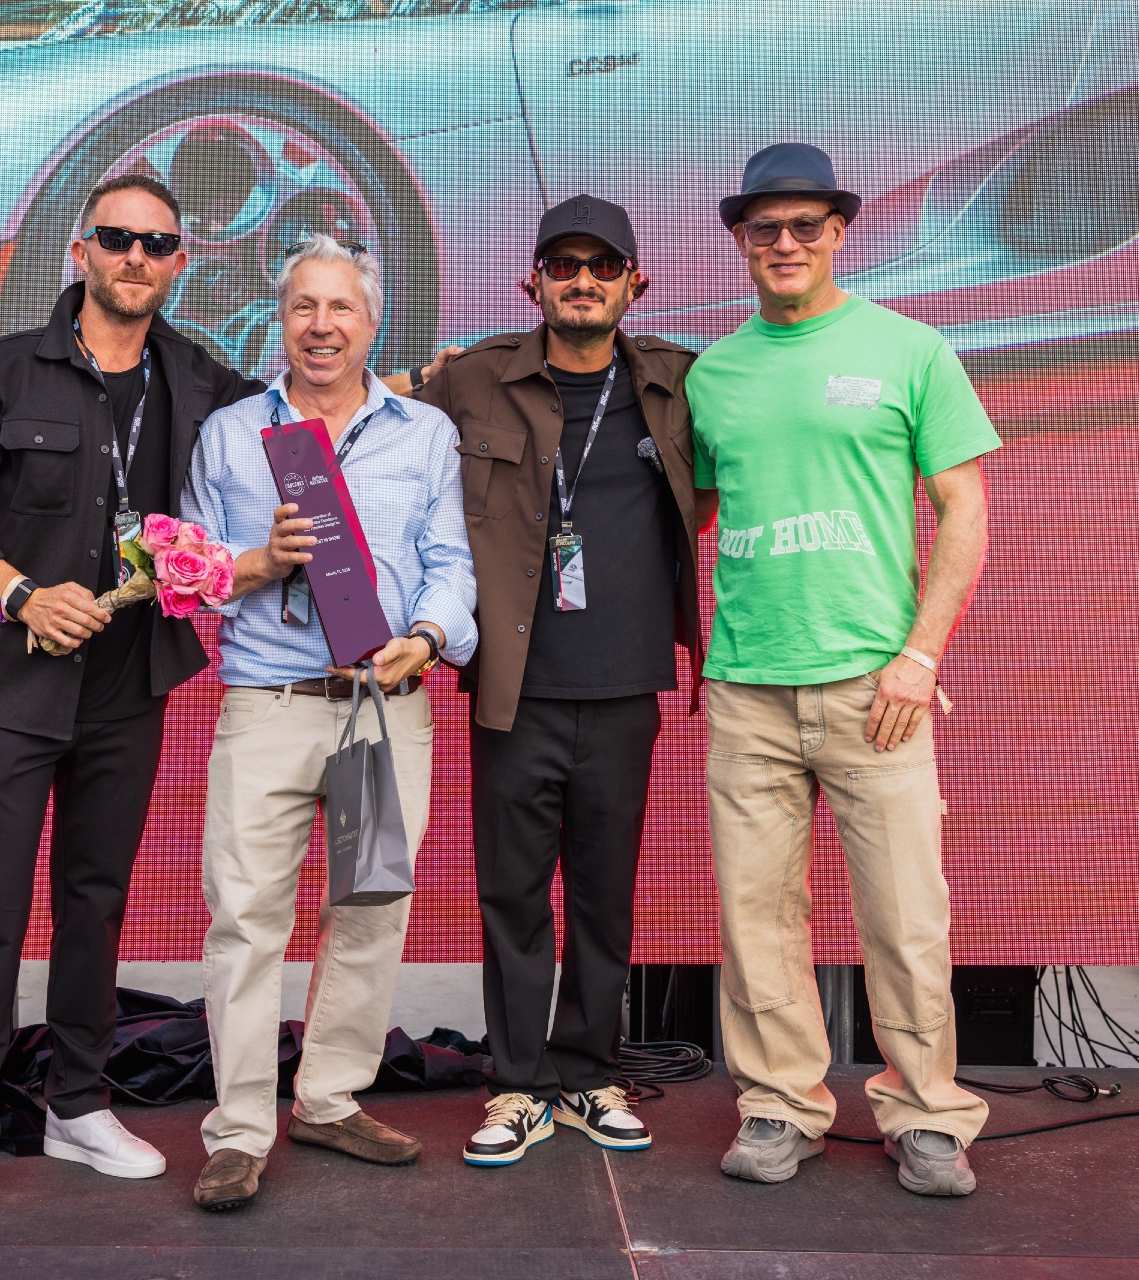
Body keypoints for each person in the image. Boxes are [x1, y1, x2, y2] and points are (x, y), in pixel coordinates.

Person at [0, 175, 448, 1231]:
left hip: (125, 686)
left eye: (156, 244)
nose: (136, 257)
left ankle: (78, 1103)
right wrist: (19, 591)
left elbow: (315, 387)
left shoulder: (197, 380)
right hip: (13, 682)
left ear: (180, 262)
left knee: (95, 899)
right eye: (117, 238)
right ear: (82, 252)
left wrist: (414, 380)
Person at [689, 143, 1001, 1196]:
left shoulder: (911, 350)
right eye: (765, 228)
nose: (785, 243)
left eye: (804, 225)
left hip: (878, 688)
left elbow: (965, 507)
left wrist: (921, 654)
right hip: (748, 687)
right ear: (741, 241)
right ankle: (780, 1103)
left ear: (838, 233)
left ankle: (929, 1113)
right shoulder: (712, 375)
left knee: (907, 918)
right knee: (757, 918)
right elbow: (690, 514)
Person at [409, 195, 713, 1166]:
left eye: (603, 265)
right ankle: (516, 1085)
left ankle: (586, 1074)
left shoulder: (680, 383)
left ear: (636, 283)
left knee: (602, 897)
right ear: (531, 281)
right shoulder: (470, 379)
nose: (583, 280)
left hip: (625, 687)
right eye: (564, 264)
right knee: (511, 896)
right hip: (515, 687)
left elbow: (713, 492)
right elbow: (383, 441)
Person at [180, 235, 477, 1212]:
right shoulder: (231, 433)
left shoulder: (424, 433)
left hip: (379, 709)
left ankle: (330, 1097)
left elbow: (451, 562)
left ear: (371, 323)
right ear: (282, 320)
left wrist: (427, 638)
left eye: (340, 307)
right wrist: (260, 560)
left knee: (369, 908)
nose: (321, 325)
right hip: (266, 704)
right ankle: (238, 1131)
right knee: (245, 921)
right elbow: (190, 573)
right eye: (304, 306)